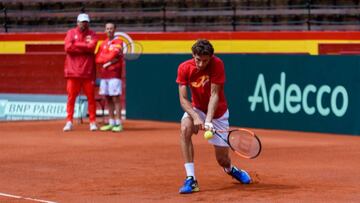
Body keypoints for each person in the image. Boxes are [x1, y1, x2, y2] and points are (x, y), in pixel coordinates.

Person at [176, 39, 252, 194]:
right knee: (185, 129)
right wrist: (196, 117)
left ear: (210, 57)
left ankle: (231, 169)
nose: (201, 64)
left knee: (222, 160)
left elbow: (215, 94)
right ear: (193, 55)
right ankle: (191, 179)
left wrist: (209, 120)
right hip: (196, 109)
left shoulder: (217, 64)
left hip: (218, 113)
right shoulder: (184, 68)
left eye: (205, 61)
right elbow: (183, 99)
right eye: (198, 60)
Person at [63, 13, 98, 132]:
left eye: (86, 22)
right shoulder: (70, 33)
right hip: (73, 72)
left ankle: (92, 122)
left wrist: (76, 45)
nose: (84, 24)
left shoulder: (93, 34)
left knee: (91, 98)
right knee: (71, 98)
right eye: (82, 22)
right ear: (77, 22)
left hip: (88, 72)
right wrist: (84, 46)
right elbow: (68, 48)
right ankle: (69, 121)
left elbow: (92, 47)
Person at [95, 22, 124, 132]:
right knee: (108, 98)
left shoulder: (119, 42)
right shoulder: (103, 44)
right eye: (107, 28)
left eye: (111, 28)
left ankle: (118, 123)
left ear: (115, 29)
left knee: (116, 99)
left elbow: (113, 55)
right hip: (104, 75)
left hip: (114, 75)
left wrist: (106, 57)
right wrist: (107, 58)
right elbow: (98, 59)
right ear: (105, 30)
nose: (109, 30)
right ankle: (111, 122)